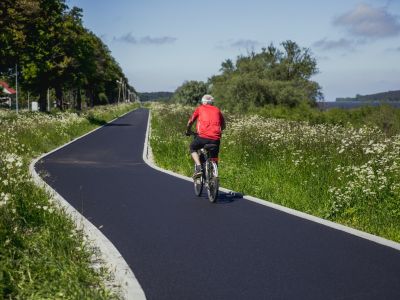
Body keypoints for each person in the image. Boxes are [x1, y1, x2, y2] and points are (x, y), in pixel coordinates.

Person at [186, 94, 225, 177]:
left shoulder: (200, 109)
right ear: (212, 103)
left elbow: (190, 122)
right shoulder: (217, 110)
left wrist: (188, 130)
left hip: (202, 137)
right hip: (216, 139)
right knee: (214, 157)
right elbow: (223, 125)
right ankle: (214, 175)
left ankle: (199, 167)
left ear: (203, 102)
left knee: (192, 147)